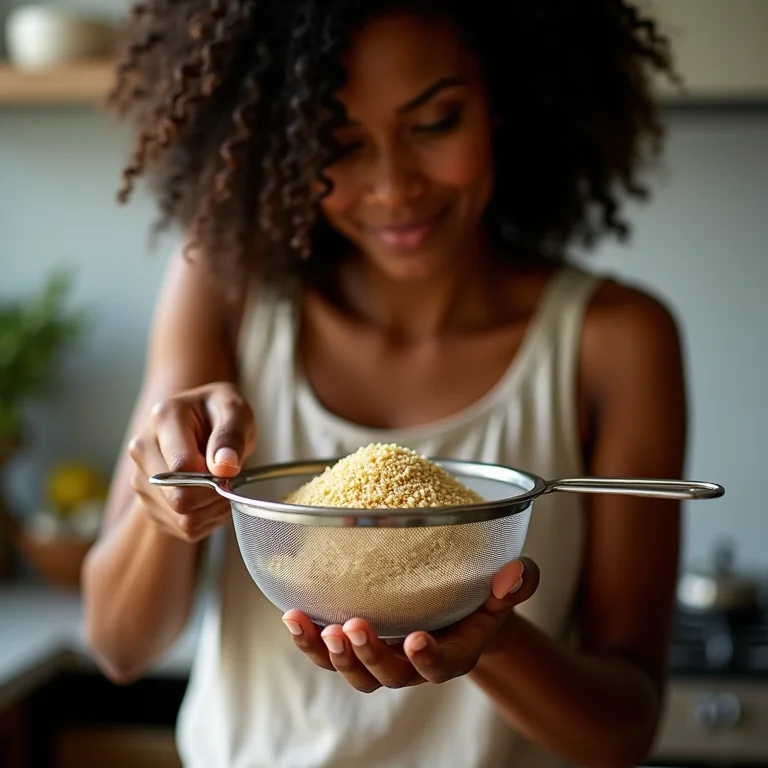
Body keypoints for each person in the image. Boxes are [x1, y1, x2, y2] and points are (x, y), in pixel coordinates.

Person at [81, 1, 687, 766]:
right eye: (340, 142)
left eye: (434, 123)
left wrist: (492, 637)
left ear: (502, 98)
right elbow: (119, 645)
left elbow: (623, 731)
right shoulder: (226, 289)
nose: (394, 186)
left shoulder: (615, 339)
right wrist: (165, 508)